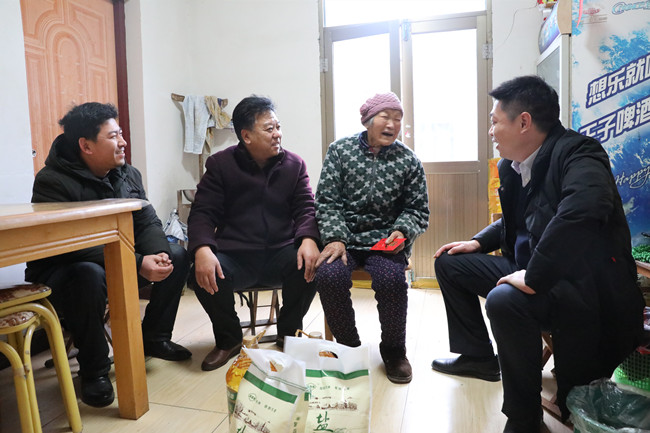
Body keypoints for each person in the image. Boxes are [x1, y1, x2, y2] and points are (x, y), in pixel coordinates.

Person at [430, 75, 645, 433]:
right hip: (530, 269)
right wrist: (478, 243)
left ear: (524, 122)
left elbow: (584, 210)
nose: (491, 131)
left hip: (579, 285)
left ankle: (522, 418)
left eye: (495, 121)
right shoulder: (512, 166)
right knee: (450, 262)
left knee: (504, 300)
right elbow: (517, 221)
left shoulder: (579, 153)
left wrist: (533, 276)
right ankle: (478, 357)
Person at [26, 102, 192, 408]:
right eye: (113, 136)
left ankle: (154, 338)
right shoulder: (52, 181)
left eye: (121, 134)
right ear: (86, 146)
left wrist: (156, 254)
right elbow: (71, 245)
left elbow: (146, 220)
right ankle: (94, 370)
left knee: (176, 256)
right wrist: (137, 263)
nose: (123, 142)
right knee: (88, 274)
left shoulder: (128, 174)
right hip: (63, 270)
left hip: (117, 261)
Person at [187, 95, 320, 371]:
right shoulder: (221, 165)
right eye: (269, 129)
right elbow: (203, 212)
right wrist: (202, 249)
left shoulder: (294, 165)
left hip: (281, 252)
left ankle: (289, 333)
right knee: (202, 272)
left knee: (311, 263)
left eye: (278, 127)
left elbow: (306, 208)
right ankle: (229, 339)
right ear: (246, 135)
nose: (277, 134)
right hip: (236, 255)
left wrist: (308, 238)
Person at [314, 92, 430, 384]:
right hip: (345, 239)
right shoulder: (339, 151)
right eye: (385, 117)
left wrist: (402, 231)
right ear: (367, 121)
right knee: (328, 275)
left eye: (398, 119)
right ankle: (348, 347)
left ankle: (394, 351)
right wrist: (335, 238)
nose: (392, 124)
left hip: (385, 243)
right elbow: (327, 201)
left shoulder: (408, 160)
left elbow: (417, 209)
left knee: (392, 281)